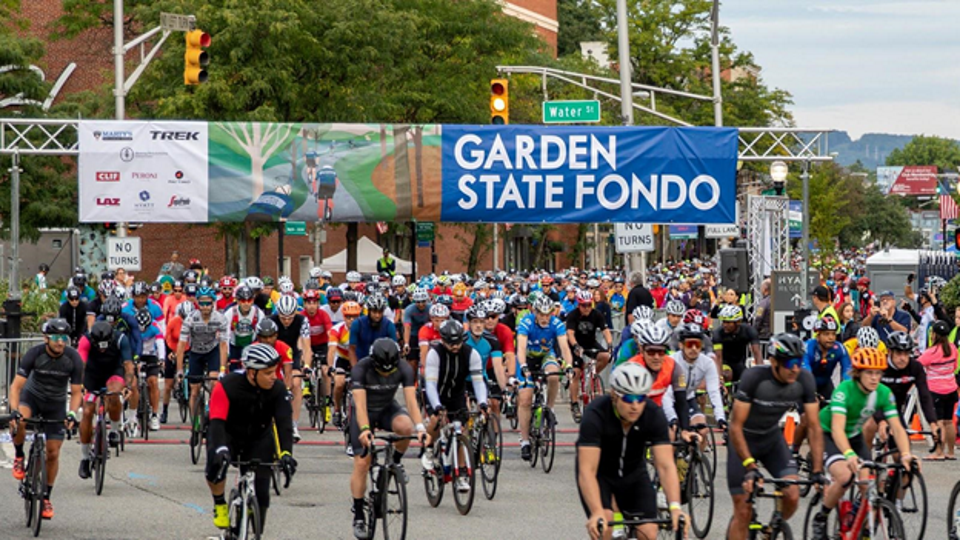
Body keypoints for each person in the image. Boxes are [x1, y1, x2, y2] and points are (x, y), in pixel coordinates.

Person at [810, 347, 916, 538]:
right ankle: (822, 516)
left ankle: (862, 527)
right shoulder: (844, 390)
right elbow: (837, 429)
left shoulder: (884, 393)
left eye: (878, 373)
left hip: (854, 435)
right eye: (869, 373)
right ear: (858, 373)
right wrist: (849, 455)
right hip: (828, 434)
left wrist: (906, 454)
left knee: (869, 487)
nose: (874, 378)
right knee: (845, 476)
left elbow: (898, 428)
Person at [727, 334, 825, 540]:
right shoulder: (754, 378)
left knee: (792, 495)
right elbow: (735, 427)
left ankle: (772, 530)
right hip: (743, 440)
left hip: (771, 439)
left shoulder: (804, 380)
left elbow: (814, 427)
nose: (795, 369)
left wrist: (817, 469)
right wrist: (750, 466)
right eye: (789, 362)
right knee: (743, 511)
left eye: (798, 362)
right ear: (773, 361)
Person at [577, 363, 687, 540]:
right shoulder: (596, 414)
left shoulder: (652, 413)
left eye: (641, 398)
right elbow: (587, 471)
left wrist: (675, 507)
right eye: (628, 398)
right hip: (600, 475)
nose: (635, 405)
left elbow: (665, 465)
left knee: (649, 532)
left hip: (634, 473)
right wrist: (596, 512)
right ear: (614, 396)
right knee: (604, 526)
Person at [205, 343, 297, 533]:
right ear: (252, 372)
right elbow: (217, 423)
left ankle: (256, 531)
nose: (274, 376)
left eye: (275, 371)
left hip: (258, 437)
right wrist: (220, 449)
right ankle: (220, 503)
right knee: (215, 465)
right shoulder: (227, 386)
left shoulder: (278, 389)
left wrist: (286, 454)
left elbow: (284, 423)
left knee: (262, 493)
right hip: (228, 434)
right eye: (269, 372)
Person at [349, 338, 427, 539]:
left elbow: (410, 401)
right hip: (364, 411)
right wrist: (366, 429)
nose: (386, 374)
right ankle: (358, 513)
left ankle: (395, 463)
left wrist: (420, 428)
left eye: (389, 371)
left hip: (386, 408)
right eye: (382, 371)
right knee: (362, 462)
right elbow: (359, 405)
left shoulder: (403, 368)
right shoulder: (360, 369)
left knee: (405, 426)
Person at [7, 319, 82, 520]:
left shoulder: (73, 358)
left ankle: (46, 496)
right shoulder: (35, 354)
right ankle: (20, 456)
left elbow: (76, 392)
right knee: (21, 420)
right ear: (46, 338)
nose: (60, 343)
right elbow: (16, 387)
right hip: (32, 398)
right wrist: (14, 411)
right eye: (56, 338)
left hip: (55, 405)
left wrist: (73, 413)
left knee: (53, 452)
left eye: (64, 338)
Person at [422, 319, 489, 493]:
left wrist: (482, 402)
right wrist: (436, 406)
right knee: (437, 420)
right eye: (450, 343)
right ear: (443, 340)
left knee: (462, 432)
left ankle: (461, 475)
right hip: (436, 393)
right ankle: (429, 449)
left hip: (457, 395)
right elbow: (430, 385)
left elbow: (478, 381)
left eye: (458, 342)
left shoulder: (470, 354)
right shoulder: (434, 354)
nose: (455, 346)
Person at [515, 295, 574, 461]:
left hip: (545, 356)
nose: (545, 318)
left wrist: (568, 365)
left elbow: (564, 348)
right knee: (526, 399)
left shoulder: (556, 324)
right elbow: (520, 348)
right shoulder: (526, 323)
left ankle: (550, 408)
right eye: (541, 314)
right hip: (527, 357)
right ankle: (525, 441)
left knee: (554, 375)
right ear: (535, 312)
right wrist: (523, 366)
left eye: (548, 314)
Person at [863, 331, 939, 453]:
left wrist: (933, 423)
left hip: (894, 409)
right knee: (870, 425)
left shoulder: (915, 367)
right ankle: (864, 460)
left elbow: (925, 396)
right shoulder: (879, 365)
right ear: (889, 351)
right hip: (872, 406)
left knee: (902, 454)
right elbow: (871, 395)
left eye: (906, 353)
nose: (903, 358)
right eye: (898, 353)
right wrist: (881, 421)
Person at [76, 321, 134, 479]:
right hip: (92, 374)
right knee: (87, 411)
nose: (102, 349)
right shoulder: (85, 340)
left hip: (113, 372)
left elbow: (128, 365)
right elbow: (80, 364)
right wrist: (78, 385)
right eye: (98, 346)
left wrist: (127, 386)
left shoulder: (121, 338)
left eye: (105, 346)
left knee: (114, 395)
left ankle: (114, 430)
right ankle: (85, 457)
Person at [662, 323, 725, 444]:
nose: (694, 349)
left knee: (703, 430)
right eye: (690, 344)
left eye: (698, 345)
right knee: (671, 433)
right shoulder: (671, 362)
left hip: (687, 399)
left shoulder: (707, 363)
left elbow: (714, 392)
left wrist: (720, 418)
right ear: (681, 345)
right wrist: (672, 418)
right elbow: (667, 395)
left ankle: (696, 460)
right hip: (669, 400)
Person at [176, 286, 229, 423]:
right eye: (202, 303)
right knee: (194, 390)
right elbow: (181, 345)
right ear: (197, 304)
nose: (205, 307)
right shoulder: (191, 319)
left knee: (214, 382)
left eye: (208, 303)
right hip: (196, 353)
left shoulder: (220, 318)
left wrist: (222, 369)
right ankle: (195, 424)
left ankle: (214, 412)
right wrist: (180, 370)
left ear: (213, 303)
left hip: (212, 351)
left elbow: (223, 345)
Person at [270, 294, 311, 442]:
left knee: (296, 383)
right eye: (283, 317)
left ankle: (293, 424)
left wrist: (306, 365)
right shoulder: (271, 321)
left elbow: (307, 347)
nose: (287, 321)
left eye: (290, 317)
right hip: (274, 353)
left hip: (292, 354)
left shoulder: (302, 321)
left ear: (295, 313)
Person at [916, 320, 958, 460]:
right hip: (951, 388)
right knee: (948, 421)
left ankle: (939, 452)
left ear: (933, 334)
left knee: (938, 421)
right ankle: (950, 452)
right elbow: (954, 367)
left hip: (935, 390)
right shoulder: (953, 348)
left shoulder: (931, 352)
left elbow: (917, 365)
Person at [327, 301, 363, 430]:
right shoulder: (336, 330)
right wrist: (331, 367)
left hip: (358, 360)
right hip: (342, 359)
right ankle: (337, 409)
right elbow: (331, 350)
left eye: (355, 317)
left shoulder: (364, 328)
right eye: (348, 317)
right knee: (339, 383)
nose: (351, 320)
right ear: (343, 317)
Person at [712, 305, 762, 382]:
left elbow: (757, 352)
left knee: (748, 379)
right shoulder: (718, 333)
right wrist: (720, 378)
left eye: (728, 322)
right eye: (724, 322)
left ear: (738, 322)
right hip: (724, 363)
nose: (725, 325)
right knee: (727, 375)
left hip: (739, 363)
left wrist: (761, 375)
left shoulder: (749, 331)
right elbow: (719, 357)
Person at [349, 295, 398, 365]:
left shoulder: (389, 325)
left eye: (380, 312)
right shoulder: (357, 324)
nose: (377, 315)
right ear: (369, 311)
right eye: (374, 312)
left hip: (383, 364)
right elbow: (352, 349)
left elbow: (394, 349)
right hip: (362, 362)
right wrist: (355, 368)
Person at [402, 288, 431, 373]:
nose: (421, 304)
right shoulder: (409, 309)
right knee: (412, 362)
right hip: (413, 334)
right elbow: (407, 327)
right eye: (418, 302)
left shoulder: (431, 308)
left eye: (423, 301)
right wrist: (406, 343)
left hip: (427, 334)